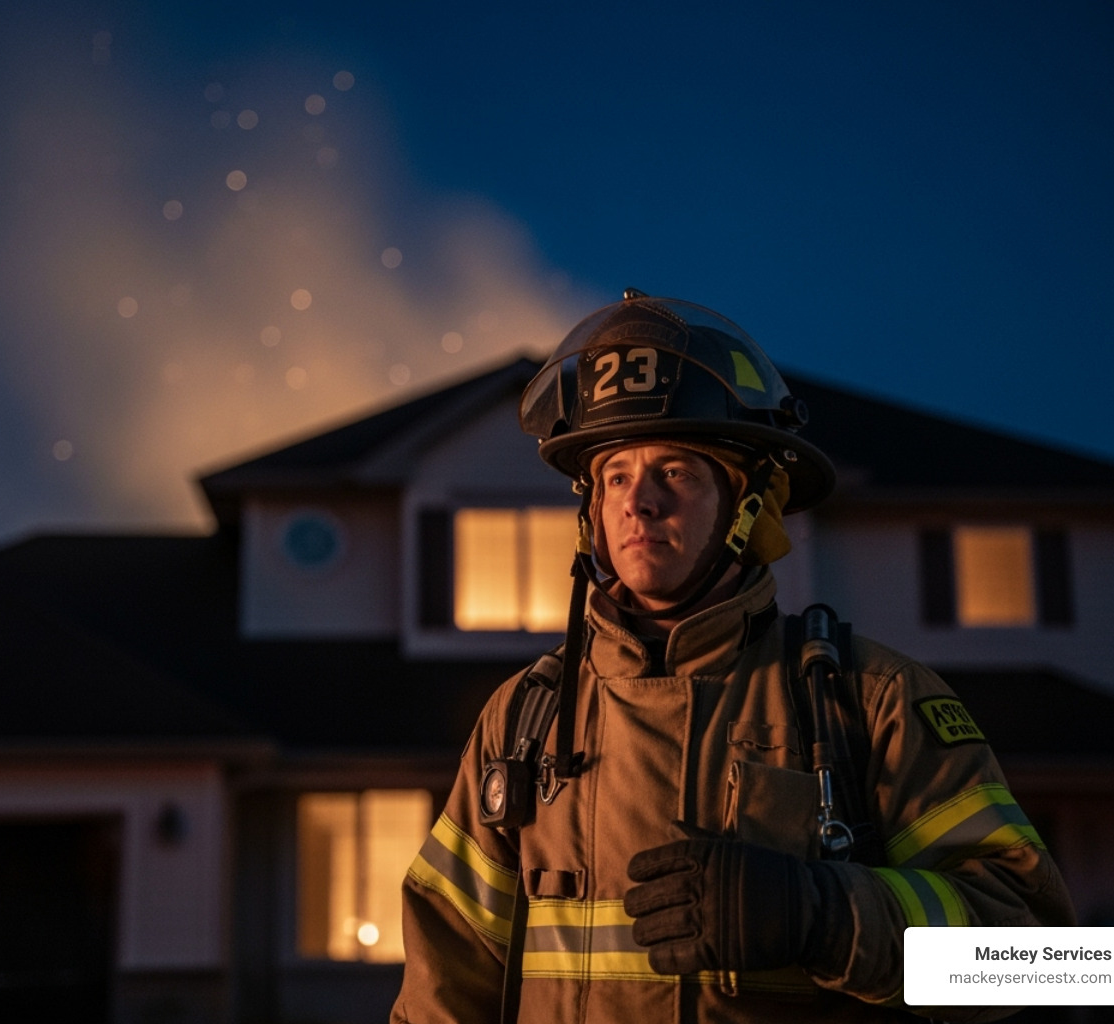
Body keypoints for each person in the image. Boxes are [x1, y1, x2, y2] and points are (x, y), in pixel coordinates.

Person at [390, 291, 1075, 1023]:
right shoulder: (524, 720)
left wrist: (829, 918)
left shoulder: (867, 701)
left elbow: (1051, 966)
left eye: (676, 473)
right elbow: (445, 982)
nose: (638, 503)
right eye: (616, 475)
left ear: (749, 504)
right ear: (589, 508)